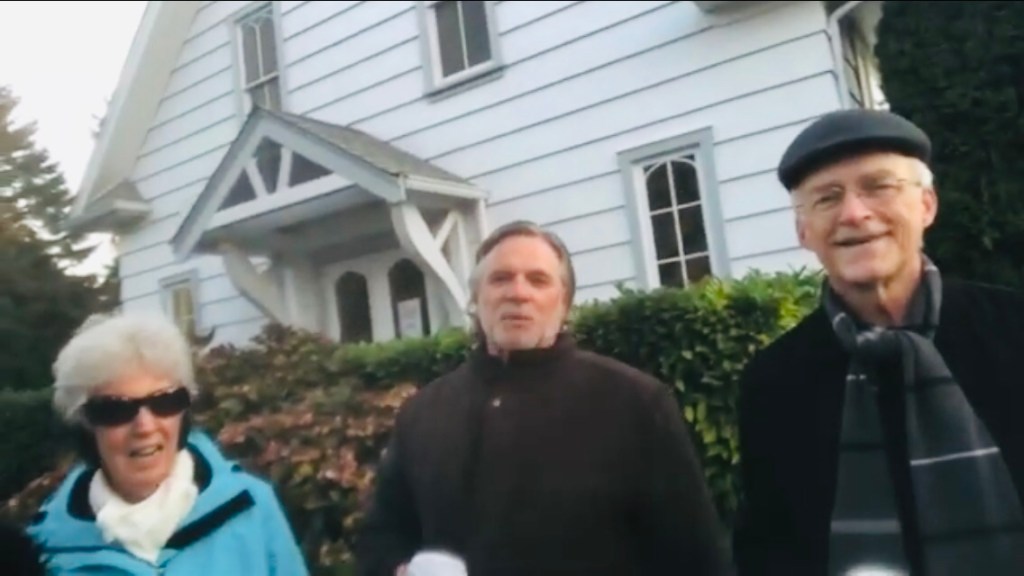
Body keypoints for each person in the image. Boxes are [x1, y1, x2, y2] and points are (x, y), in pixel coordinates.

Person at [731, 108, 1024, 576]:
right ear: (804, 231)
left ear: (926, 205)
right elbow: (769, 548)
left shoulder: (1012, 330)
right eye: (827, 198)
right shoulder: (774, 382)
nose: (854, 213)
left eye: (878, 187)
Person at [354, 220, 732, 576]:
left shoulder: (636, 403)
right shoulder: (424, 413)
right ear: (476, 299)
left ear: (564, 303)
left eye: (538, 280)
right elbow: (381, 536)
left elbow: (694, 556)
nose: (518, 293)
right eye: (501, 278)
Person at [26, 313, 310, 575]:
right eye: (116, 409)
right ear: (85, 424)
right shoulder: (47, 547)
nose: (145, 426)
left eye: (165, 401)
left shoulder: (251, 507)